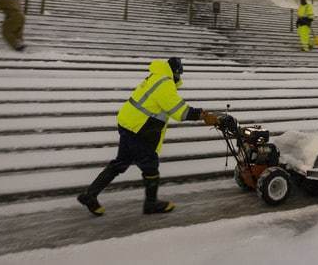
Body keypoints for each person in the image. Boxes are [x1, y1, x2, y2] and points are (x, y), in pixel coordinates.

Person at [78, 57, 219, 216]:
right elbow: (179, 111)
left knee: (120, 163)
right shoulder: (165, 83)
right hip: (139, 129)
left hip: (129, 124)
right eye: (179, 74)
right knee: (150, 165)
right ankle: (151, 204)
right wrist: (203, 115)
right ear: (176, 73)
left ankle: (90, 195)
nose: (180, 78)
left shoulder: (156, 76)